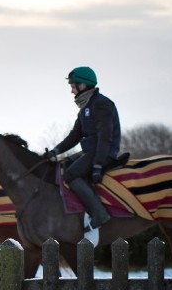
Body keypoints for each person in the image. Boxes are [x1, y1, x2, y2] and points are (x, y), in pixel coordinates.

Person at [47, 66, 120, 230]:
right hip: (91, 151)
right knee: (64, 164)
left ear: (83, 85)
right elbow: (75, 135)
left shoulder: (101, 104)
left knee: (71, 174)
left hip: (103, 152)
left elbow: (105, 137)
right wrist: (55, 151)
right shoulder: (85, 109)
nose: (72, 91)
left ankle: (100, 213)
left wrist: (98, 164)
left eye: (73, 86)